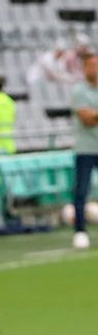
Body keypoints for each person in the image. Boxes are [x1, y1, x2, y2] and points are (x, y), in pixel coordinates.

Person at [70, 52, 98, 250]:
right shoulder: (79, 91)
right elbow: (87, 119)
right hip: (86, 148)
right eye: (90, 66)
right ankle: (80, 231)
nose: (94, 69)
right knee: (82, 190)